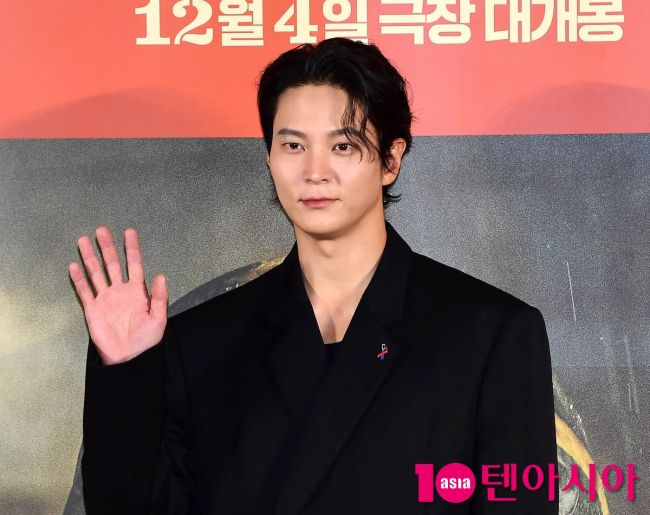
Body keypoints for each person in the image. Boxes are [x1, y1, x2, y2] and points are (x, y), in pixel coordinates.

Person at [70, 38, 558, 514]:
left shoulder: (490, 334)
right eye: (293, 145)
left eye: (343, 145)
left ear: (391, 159)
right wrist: (126, 372)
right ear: (269, 157)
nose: (314, 171)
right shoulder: (201, 343)